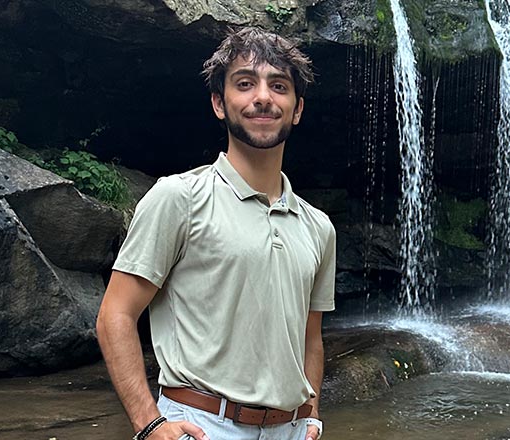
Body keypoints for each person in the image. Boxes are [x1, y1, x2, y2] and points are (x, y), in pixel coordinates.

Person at [96, 26, 336, 440]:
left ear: (297, 109)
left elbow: (310, 338)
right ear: (219, 103)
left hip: (292, 430)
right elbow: (115, 315)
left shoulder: (318, 226)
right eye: (245, 84)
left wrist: (311, 415)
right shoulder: (179, 198)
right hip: (203, 425)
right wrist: (149, 422)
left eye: (279, 86)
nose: (263, 97)